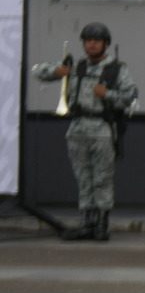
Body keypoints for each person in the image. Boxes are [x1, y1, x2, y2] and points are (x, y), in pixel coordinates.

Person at [31, 22, 136, 241]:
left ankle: (102, 225)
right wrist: (57, 71)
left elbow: (130, 98)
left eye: (96, 41)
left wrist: (107, 94)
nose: (92, 45)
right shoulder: (76, 67)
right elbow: (37, 71)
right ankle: (87, 223)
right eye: (88, 41)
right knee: (84, 179)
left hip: (102, 130)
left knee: (102, 179)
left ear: (105, 44)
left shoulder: (117, 69)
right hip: (77, 129)